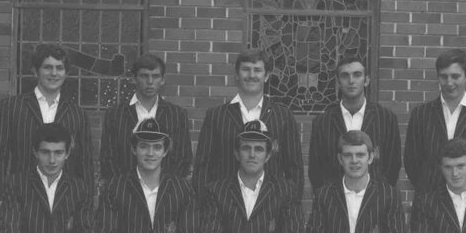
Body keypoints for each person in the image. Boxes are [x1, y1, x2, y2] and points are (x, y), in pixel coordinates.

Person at [0, 43, 94, 217]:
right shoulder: (11, 107)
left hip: (65, 203)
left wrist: (86, 204)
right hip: (21, 201)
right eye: (48, 67)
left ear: (66, 73)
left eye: (59, 68)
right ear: (35, 71)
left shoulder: (77, 114)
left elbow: (85, 162)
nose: (54, 73)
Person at [193, 48, 303, 199]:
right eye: (246, 70)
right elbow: (202, 167)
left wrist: (290, 207)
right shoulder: (216, 116)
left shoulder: (283, 116)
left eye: (257, 70)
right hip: (224, 206)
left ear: (266, 76)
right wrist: (206, 207)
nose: (251, 75)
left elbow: (294, 168)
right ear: (237, 75)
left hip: (271, 206)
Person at [403, 48, 466, 194]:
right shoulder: (421, 115)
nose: (449, 83)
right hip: (430, 203)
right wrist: (427, 190)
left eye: (455, 76)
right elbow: (412, 163)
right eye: (444, 76)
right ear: (438, 77)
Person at [308, 55, 402, 191]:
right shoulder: (322, 122)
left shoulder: (386, 118)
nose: (351, 81)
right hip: (333, 203)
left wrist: (380, 198)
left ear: (366, 80)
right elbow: (316, 170)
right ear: (338, 82)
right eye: (345, 76)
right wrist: (327, 200)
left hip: (375, 203)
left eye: (357, 75)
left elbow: (392, 166)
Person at [99, 53, 192, 183]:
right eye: (144, 76)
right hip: (124, 193)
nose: (150, 82)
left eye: (155, 76)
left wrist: (164, 189)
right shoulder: (115, 115)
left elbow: (183, 159)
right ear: (134, 79)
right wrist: (122, 189)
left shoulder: (177, 114)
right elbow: (107, 159)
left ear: (162, 79)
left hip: (165, 194)